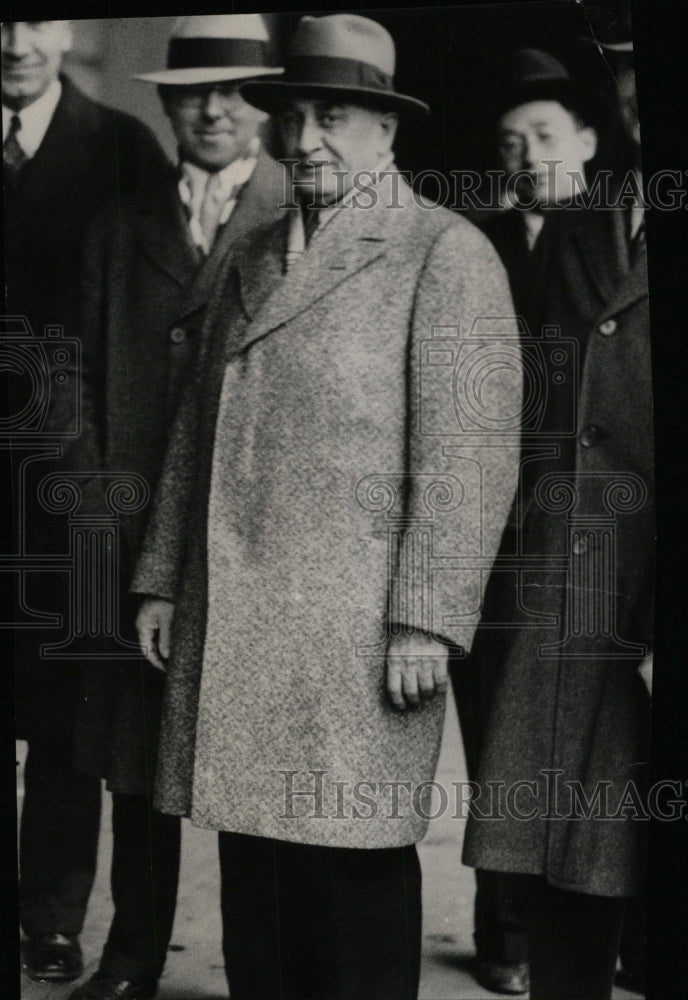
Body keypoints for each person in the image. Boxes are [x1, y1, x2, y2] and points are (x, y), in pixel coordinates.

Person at [132, 13, 522, 1000]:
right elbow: (194, 428)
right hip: (241, 625)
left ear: (386, 132)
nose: (306, 138)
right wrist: (160, 578)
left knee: (351, 865)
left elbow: (470, 458)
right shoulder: (253, 255)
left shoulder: (446, 252)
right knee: (259, 869)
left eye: (335, 116)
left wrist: (427, 617)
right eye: (295, 115)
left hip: (359, 635)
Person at [62, 16, 287, 1000]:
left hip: (251, 538)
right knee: (133, 763)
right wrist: (94, 488)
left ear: (266, 106)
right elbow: (70, 365)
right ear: (163, 103)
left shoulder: (299, 219)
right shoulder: (121, 224)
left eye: (235, 91)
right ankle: (131, 956)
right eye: (193, 91)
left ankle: (256, 967)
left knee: (246, 760)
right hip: (130, 532)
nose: (212, 107)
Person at [462, 16, 652, 1000]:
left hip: (640, 554)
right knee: (539, 788)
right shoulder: (560, 225)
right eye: (623, 75)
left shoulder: (615, 215)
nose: (635, 93)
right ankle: (519, 943)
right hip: (548, 550)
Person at [3, 20, 166, 985]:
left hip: (71, 484)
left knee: (66, 714)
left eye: (38, 18)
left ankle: (51, 916)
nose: (16, 40)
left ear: (69, 33)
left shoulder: (120, 149)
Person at [455, 47, 602, 998]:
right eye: (511, 143)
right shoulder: (476, 242)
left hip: (587, 520)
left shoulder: (623, 239)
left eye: (545, 137)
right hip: (490, 522)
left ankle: (594, 930)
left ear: (587, 142)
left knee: (589, 732)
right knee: (493, 721)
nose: (527, 156)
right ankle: (503, 929)